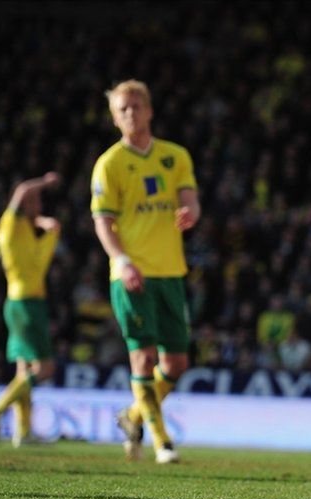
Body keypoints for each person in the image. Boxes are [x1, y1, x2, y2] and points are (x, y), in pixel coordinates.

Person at [91, 79, 201, 464]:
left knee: (176, 364)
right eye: (123, 109)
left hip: (171, 271)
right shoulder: (110, 164)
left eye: (136, 106)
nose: (131, 114)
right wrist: (121, 261)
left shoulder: (175, 156)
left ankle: (133, 415)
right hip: (131, 274)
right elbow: (103, 221)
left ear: (150, 110)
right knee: (143, 358)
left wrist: (192, 213)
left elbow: (190, 199)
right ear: (114, 118)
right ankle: (161, 441)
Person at [0, 172, 61, 447]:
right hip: (26, 304)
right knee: (45, 367)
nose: (38, 204)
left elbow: (52, 228)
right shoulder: (10, 226)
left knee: (24, 371)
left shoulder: (26, 232)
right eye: (35, 201)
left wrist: (39, 220)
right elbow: (23, 190)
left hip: (21, 303)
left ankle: (23, 432)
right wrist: (44, 183)